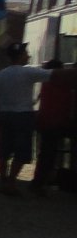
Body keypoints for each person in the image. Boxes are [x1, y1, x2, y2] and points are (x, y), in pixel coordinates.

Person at [0, 43, 77, 196]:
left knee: (3, 150)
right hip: (23, 116)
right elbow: (56, 75)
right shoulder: (28, 72)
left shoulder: (1, 74)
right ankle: (11, 181)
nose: (28, 56)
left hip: (5, 114)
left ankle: (4, 180)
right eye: (26, 53)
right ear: (20, 55)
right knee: (21, 151)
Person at [30, 59, 74, 196]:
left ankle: (41, 181)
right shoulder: (61, 82)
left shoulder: (47, 82)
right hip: (56, 122)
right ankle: (41, 182)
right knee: (48, 154)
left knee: (47, 154)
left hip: (47, 122)